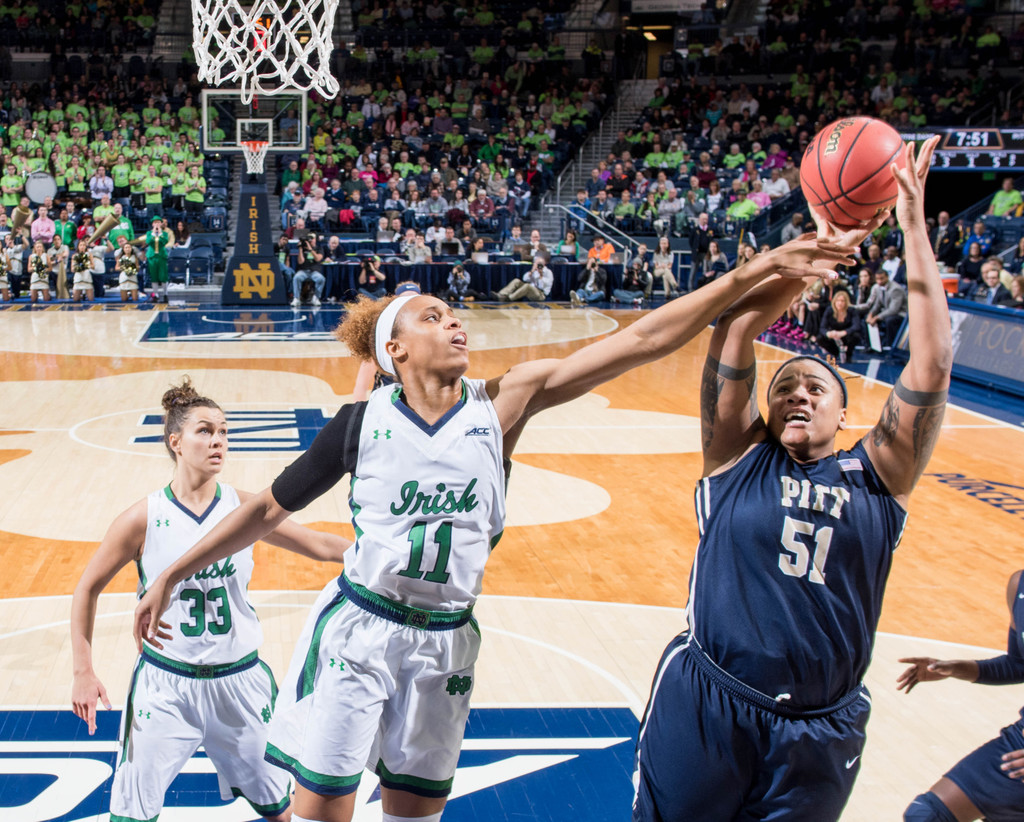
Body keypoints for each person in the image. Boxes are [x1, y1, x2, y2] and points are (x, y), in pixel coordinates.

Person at [134, 228, 857, 822]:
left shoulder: (503, 403)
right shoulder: (361, 425)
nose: (454, 322)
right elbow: (263, 510)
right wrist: (171, 570)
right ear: (396, 351)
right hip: (359, 629)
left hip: (445, 641)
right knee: (322, 813)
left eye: (454, 314)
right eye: (432, 316)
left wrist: (761, 269)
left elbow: (644, 340)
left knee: (412, 818)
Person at [633, 137, 951, 822]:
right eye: (785, 388)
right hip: (709, 700)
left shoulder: (876, 474)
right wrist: (818, 253)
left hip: (821, 727)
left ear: (846, 412)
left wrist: (913, 230)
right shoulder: (738, 458)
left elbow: (929, 366)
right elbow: (735, 335)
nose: (798, 394)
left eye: (815, 386)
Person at [73, 378, 350, 822]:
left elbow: (317, 544)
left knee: (281, 810)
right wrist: (83, 670)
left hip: (239, 681)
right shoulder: (143, 518)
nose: (218, 441)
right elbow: (86, 587)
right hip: (166, 686)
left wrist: (378, 551)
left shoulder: (245, 509)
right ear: (175, 441)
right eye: (205, 431)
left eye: (224, 432)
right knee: (130, 815)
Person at [898, 568, 1024, 822]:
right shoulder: (1019, 584)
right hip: (1019, 747)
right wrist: (956, 668)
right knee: (926, 815)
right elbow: (1018, 664)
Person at [864, 267, 909, 346]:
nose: (879, 281)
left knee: (890, 321)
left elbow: (893, 310)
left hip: (900, 314)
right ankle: (870, 346)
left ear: (887, 277)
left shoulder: (896, 289)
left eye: (882, 278)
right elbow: (877, 304)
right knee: (866, 319)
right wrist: (871, 314)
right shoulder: (878, 287)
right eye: (877, 279)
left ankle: (890, 346)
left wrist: (877, 317)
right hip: (886, 312)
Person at [816, 288, 862, 362]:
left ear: (846, 302)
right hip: (834, 335)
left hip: (846, 335)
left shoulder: (852, 311)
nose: (840, 303)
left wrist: (844, 332)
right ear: (834, 301)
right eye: (838, 300)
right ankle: (836, 353)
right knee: (820, 338)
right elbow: (822, 327)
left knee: (856, 336)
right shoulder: (829, 310)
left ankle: (848, 354)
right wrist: (828, 333)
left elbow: (856, 326)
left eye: (842, 301)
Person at [145, 216, 172, 303]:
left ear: (161, 224)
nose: (156, 224)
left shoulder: (164, 233)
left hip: (161, 256)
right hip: (152, 256)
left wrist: (159, 233)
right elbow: (148, 241)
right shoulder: (149, 233)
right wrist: (154, 233)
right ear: (152, 224)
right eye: (155, 222)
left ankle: (165, 294)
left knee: (163, 275)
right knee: (154, 276)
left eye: (158, 222)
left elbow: (164, 241)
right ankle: (155, 294)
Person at [114, 235, 141, 302]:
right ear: (123, 249)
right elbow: (116, 268)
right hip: (124, 277)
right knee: (124, 300)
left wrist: (133, 268)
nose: (127, 249)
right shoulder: (121, 257)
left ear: (131, 248)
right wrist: (124, 268)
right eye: (126, 248)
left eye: (129, 247)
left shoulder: (134, 257)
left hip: (132, 277)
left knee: (135, 299)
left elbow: (138, 267)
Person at [70, 238, 96, 302]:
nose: (82, 247)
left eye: (84, 245)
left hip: (87, 277)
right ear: (78, 246)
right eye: (80, 245)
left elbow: (93, 266)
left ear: (85, 246)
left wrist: (86, 265)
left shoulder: (89, 255)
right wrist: (78, 267)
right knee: (75, 300)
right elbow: (72, 269)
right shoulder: (74, 256)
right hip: (78, 277)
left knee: (91, 299)